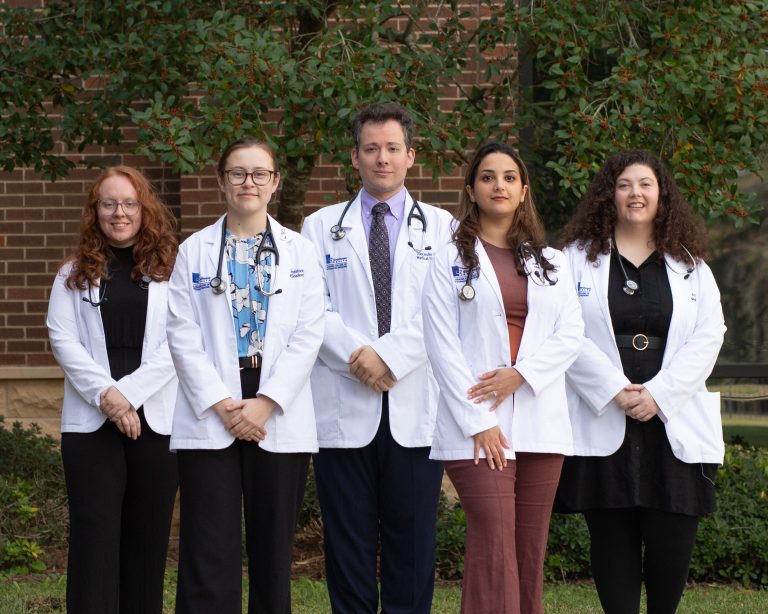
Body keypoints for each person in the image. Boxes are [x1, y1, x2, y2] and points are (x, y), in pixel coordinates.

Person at [554, 148, 726, 614]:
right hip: (606, 418)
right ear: (608, 195)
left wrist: (659, 395)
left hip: (672, 425)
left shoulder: (692, 266)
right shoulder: (573, 260)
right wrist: (615, 389)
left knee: (672, 549)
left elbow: (710, 335)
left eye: (646, 184)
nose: (636, 193)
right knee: (612, 547)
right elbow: (563, 330)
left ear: (661, 194)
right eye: (624, 184)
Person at [300, 102, 454, 614]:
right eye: (371, 149)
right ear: (355, 157)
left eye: (392, 148)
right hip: (344, 401)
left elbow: (447, 310)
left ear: (411, 155)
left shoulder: (443, 228)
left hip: (414, 406)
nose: (381, 158)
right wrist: (357, 356)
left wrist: (388, 357)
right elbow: (309, 308)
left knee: (413, 544)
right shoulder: (319, 228)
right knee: (347, 544)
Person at [421, 142, 583, 614]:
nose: (499, 185)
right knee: (494, 540)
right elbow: (441, 345)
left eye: (510, 177)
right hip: (477, 423)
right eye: (488, 177)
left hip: (539, 421)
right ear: (472, 190)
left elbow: (571, 334)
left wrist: (521, 375)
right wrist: (478, 422)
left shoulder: (552, 261)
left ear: (523, 190)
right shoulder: (446, 260)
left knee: (529, 550)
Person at [166, 137, 324, 614]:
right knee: (207, 546)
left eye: (259, 174)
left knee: (273, 551)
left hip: (276, 409)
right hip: (214, 407)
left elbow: (309, 333)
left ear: (275, 182)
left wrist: (267, 402)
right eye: (237, 173)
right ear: (221, 181)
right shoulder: (193, 251)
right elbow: (181, 334)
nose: (248, 183)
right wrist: (222, 404)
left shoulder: (300, 252)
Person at [47, 166, 179, 613]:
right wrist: (109, 397)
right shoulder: (71, 274)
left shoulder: (172, 272)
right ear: (95, 210)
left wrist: (129, 395)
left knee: (148, 537)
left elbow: (179, 343)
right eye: (109, 204)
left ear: (144, 209)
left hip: (155, 420)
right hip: (91, 423)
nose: (119, 213)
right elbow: (63, 341)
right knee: (94, 535)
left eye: (128, 203)